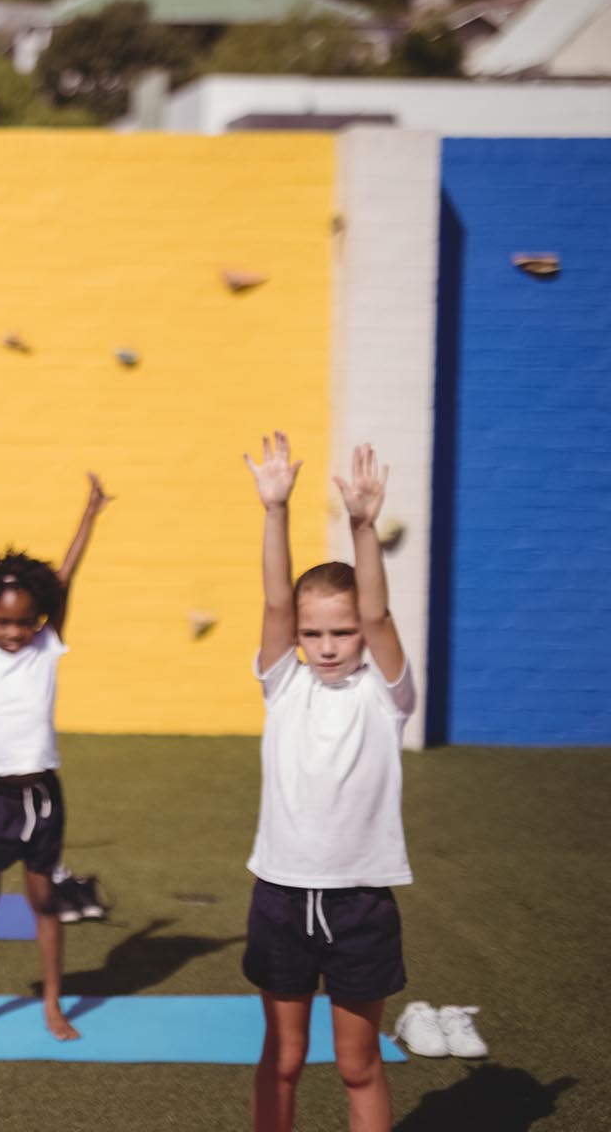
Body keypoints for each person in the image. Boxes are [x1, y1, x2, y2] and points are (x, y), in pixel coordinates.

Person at [242, 435, 412, 1132]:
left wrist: (364, 525)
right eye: (316, 634)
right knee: (282, 1057)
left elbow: (377, 613)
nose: (329, 645)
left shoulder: (387, 695)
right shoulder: (283, 686)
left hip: (360, 904)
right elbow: (277, 602)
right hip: (281, 895)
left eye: (341, 632)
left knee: (356, 1064)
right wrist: (275, 510)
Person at [0, 470, 110, 1042]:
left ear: (38, 618)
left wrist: (90, 514)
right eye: (3, 620)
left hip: (41, 795)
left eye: (24, 621)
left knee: (44, 901)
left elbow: (65, 578)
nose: (14, 631)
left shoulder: (46, 644)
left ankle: (53, 1004)